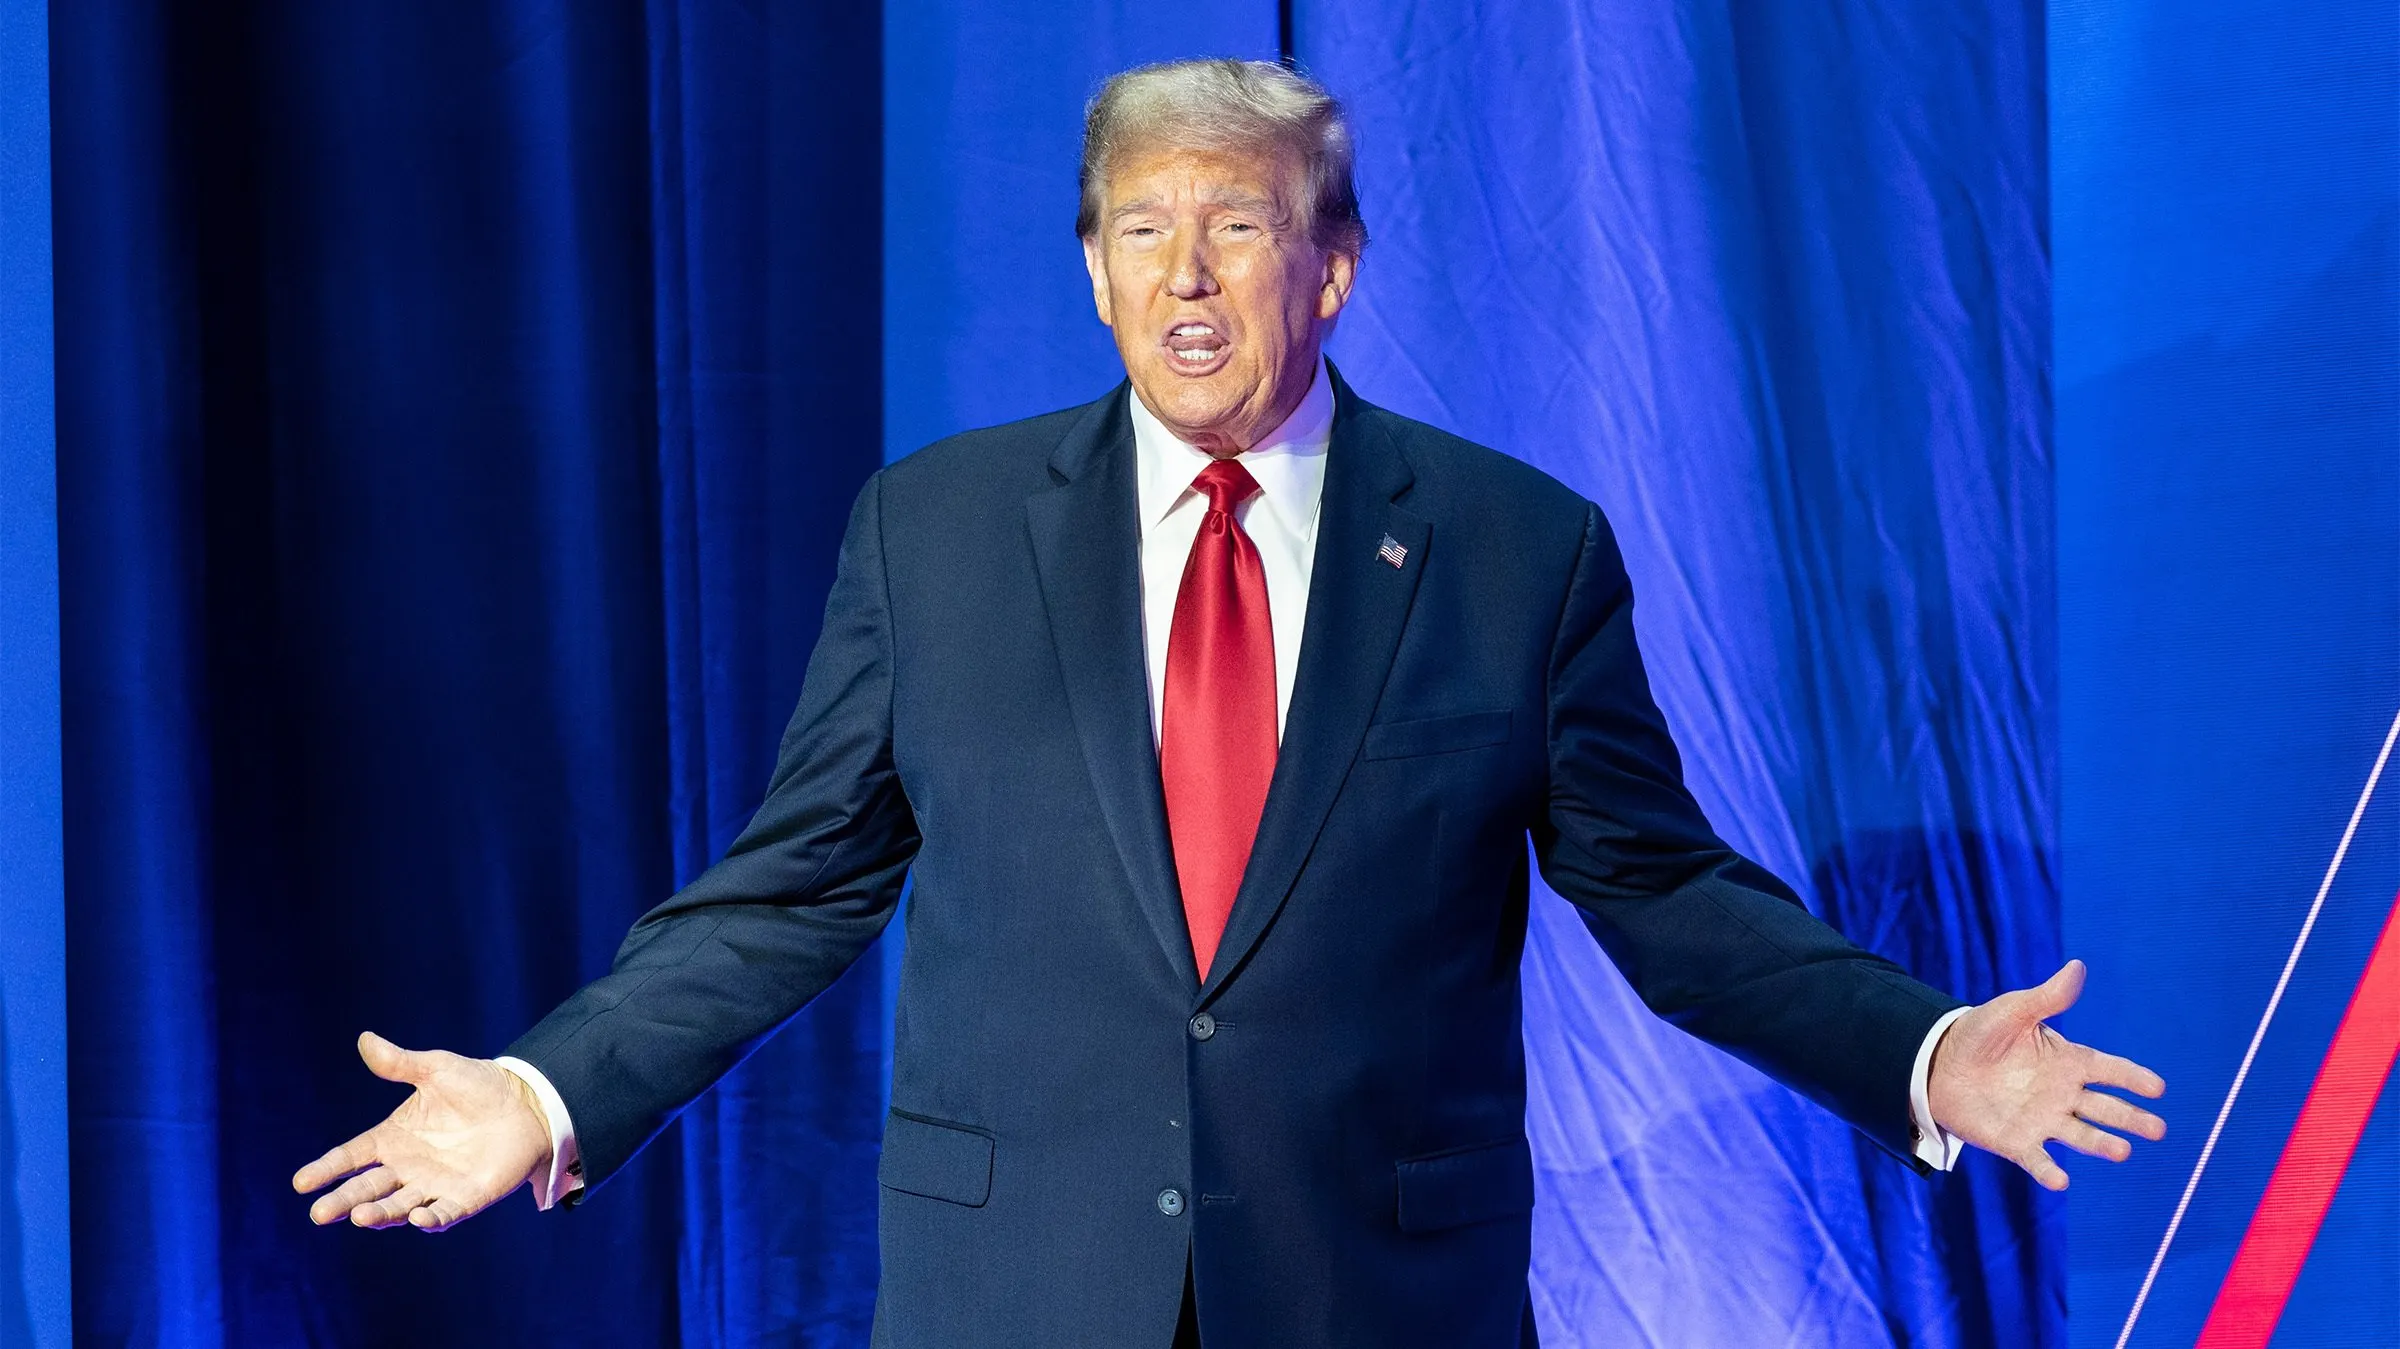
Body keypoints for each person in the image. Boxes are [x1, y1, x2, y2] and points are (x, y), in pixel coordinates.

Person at [294, 58, 2164, 1347]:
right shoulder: (935, 535)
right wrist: (547, 1092)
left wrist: (1923, 1055)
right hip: (1015, 1298)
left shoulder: (1517, 549)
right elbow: (791, 887)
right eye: (1137, 230)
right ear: (1093, 271)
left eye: (1239, 228)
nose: (1186, 279)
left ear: (1332, 264)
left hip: (1373, 1297)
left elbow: (1666, 893)